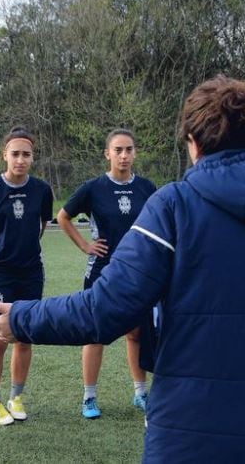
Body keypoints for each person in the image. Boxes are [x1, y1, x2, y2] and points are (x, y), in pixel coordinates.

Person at [0, 76, 245, 463]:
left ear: (195, 144)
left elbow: (106, 308)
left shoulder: (175, 205)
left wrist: (24, 318)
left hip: (189, 433)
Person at [57, 129, 156, 418]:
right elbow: (63, 216)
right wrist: (85, 245)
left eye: (129, 150)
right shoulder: (94, 187)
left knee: (136, 333)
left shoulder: (147, 188)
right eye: (118, 150)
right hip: (102, 271)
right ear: (107, 153)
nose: (124, 156)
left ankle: (140, 393)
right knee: (95, 332)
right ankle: (89, 397)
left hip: (138, 271)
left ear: (135, 153)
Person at [0, 125, 53, 426]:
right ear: (5, 154)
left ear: (33, 157)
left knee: (24, 336)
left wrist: (23, 252)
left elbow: (41, 227)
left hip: (31, 272)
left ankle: (16, 396)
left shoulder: (42, 190)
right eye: (15, 153)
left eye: (26, 154)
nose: (20, 159)